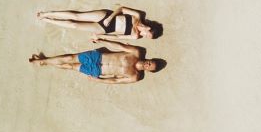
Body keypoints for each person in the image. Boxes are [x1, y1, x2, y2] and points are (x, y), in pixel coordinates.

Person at [28, 37, 163, 83]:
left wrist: (99, 80)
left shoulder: (134, 77)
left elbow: (115, 80)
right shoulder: (137, 52)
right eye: (150, 62)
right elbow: (119, 46)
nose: (148, 64)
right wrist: (103, 40)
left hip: (97, 70)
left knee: (70, 67)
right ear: (149, 59)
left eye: (149, 67)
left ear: (148, 71)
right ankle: (42, 61)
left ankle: (45, 62)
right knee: (69, 58)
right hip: (97, 56)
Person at [36, 5, 161, 40]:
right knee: (77, 16)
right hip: (106, 16)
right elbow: (121, 9)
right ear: (148, 28)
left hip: (104, 29)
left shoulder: (135, 36)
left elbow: (117, 36)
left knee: (74, 25)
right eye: (146, 35)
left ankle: (48, 20)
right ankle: (46, 13)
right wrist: (110, 18)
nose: (143, 36)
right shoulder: (138, 16)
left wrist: (100, 36)